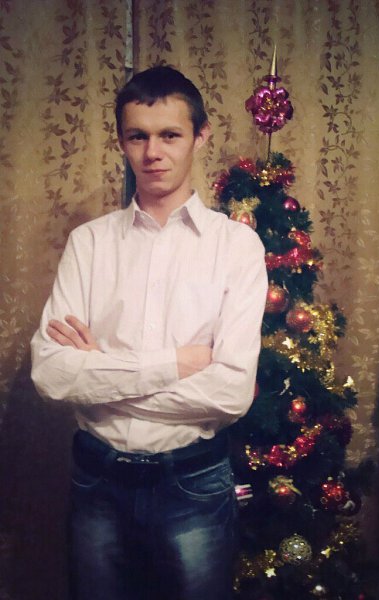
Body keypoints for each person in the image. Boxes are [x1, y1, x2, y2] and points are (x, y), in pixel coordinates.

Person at [31, 66, 268, 600]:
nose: (152, 152)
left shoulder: (236, 247)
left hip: (194, 482)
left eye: (170, 135)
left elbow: (231, 394)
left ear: (200, 136)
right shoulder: (89, 244)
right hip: (97, 479)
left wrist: (99, 373)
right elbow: (52, 375)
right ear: (121, 141)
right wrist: (178, 363)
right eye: (138, 136)